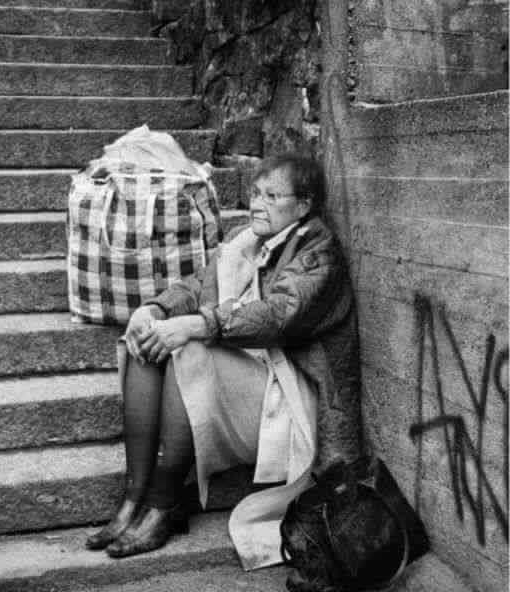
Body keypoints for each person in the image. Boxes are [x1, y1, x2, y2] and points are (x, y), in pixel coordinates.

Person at [85, 153, 362, 570]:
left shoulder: (317, 253)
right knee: (146, 336)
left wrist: (198, 325)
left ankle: (164, 503)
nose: (257, 205)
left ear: (303, 205)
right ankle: (133, 498)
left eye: (272, 197)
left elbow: (278, 315)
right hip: (248, 376)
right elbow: (199, 284)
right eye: (256, 194)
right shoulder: (245, 240)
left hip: (289, 395)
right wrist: (156, 310)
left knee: (189, 347)